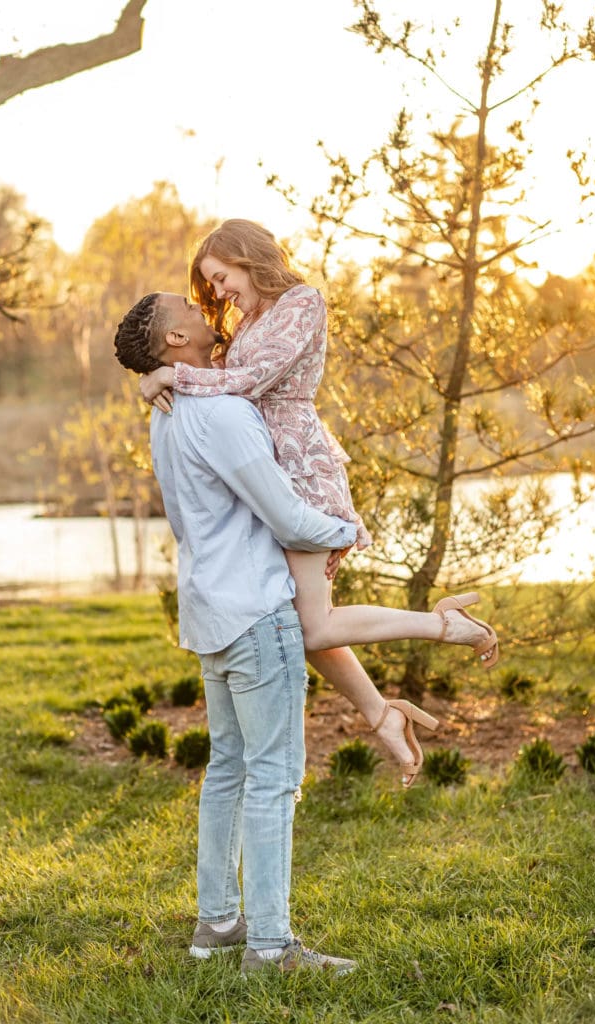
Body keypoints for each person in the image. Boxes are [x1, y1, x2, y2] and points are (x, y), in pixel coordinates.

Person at [138, 220, 499, 787]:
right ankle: (383, 714)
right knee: (304, 625)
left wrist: (169, 373)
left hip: (302, 471)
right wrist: (162, 375)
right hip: (267, 474)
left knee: (314, 627)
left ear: (249, 257)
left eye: (221, 277)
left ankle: (442, 627)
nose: (219, 293)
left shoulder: (301, 303)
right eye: (211, 285)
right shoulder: (245, 318)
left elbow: (252, 378)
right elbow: (221, 381)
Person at [114, 292, 359, 974]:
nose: (201, 305)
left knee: (227, 770)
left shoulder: (167, 414)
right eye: (186, 307)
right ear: (171, 340)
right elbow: (286, 517)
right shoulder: (222, 413)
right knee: (273, 778)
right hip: (254, 611)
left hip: (210, 612)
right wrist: (347, 532)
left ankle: (218, 922)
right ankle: (272, 946)